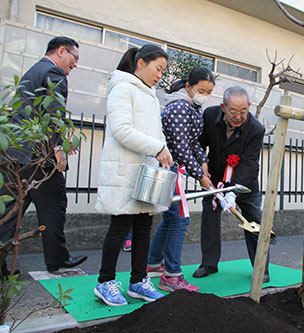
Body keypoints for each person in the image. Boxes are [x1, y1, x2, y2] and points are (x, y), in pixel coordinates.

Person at [0, 36, 87, 276]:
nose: (75, 64)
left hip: (14, 153)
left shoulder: (33, 70)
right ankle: (57, 260)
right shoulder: (54, 73)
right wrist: (58, 148)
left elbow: (31, 112)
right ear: (61, 51)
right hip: (39, 155)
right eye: (74, 58)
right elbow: (53, 113)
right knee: (54, 206)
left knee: (10, 211)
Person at [94, 44, 173, 306]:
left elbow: (156, 132)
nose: (160, 75)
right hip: (123, 171)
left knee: (143, 228)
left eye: (163, 70)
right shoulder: (123, 88)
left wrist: (163, 151)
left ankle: (139, 281)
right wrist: (157, 148)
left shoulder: (150, 94)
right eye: (157, 68)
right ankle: (105, 283)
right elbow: (122, 130)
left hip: (144, 171)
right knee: (119, 228)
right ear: (141, 62)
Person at [146, 67, 215, 293]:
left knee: (170, 217)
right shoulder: (179, 108)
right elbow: (182, 148)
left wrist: (203, 162)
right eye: (201, 90)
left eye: (209, 91)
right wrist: (201, 177)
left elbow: (193, 142)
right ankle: (172, 275)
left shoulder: (192, 107)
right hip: (169, 167)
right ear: (188, 86)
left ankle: (154, 263)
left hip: (175, 168)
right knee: (180, 219)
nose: (205, 95)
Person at [193, 86, 270, 283]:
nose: (238, 116)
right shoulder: (210, 116)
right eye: (233, 111)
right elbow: (199, 144)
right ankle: (209, 263)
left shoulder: (256, 129)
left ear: (249, 107)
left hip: (244, 183)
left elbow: (250, 162)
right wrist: (201, 167)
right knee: (209, 219)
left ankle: (261, 266)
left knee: (253, 220)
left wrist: (234, 192)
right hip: (214, 177)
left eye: (243, 111)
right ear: (223, 107)